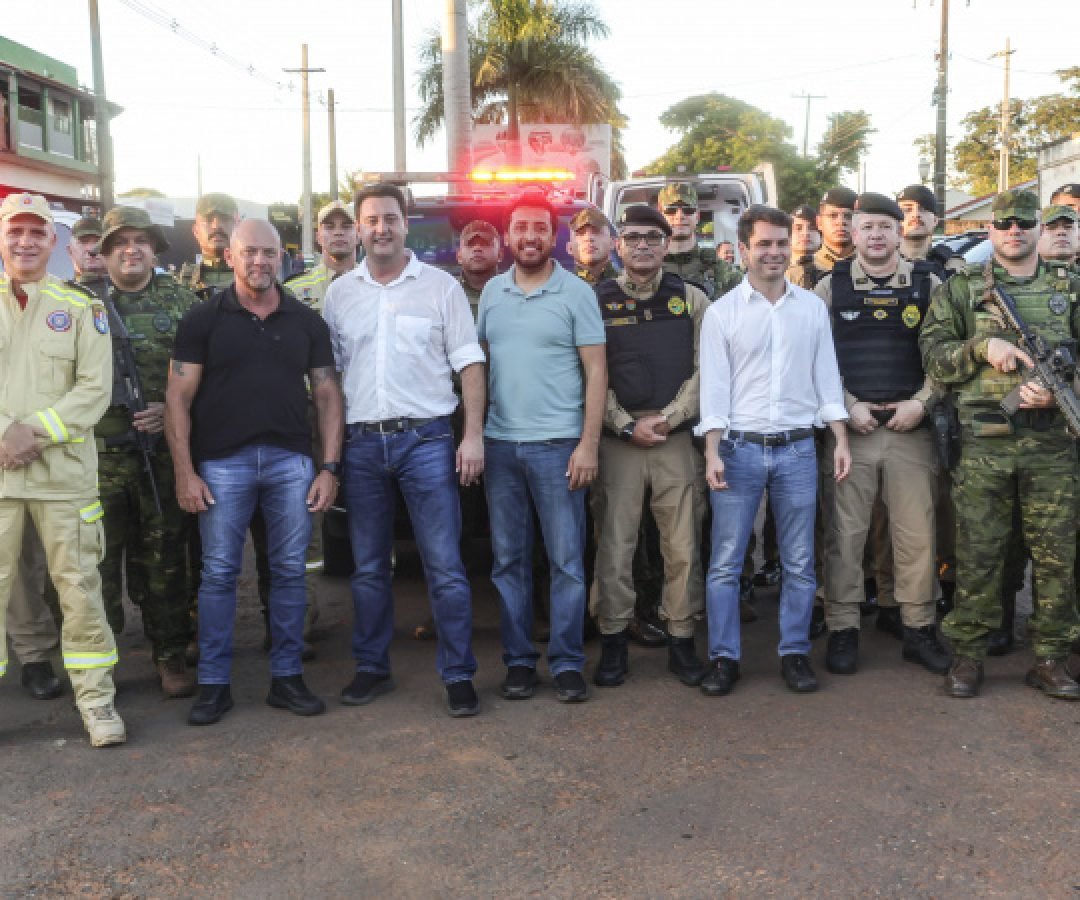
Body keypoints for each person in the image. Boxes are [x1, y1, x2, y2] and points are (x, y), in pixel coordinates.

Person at [166, 218, 343, 725]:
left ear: (282, 258)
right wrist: (185, 472)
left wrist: (329, 468)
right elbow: (177, 397)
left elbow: (328, 395)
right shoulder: (203, 319)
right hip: (221, 465)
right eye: (250, 253)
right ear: (232, 258)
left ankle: (287, 680)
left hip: (291, 464)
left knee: (288, 573)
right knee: (219, 574)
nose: (260, 261)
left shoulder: (306, 321)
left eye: (270, 252)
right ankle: (214, 686)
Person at [323, 184, 486, 718]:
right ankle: (372, 667)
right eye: (371, 220)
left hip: (427, 440)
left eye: (390, 218)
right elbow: (330, 379)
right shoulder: (340, 294)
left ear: (405, 223)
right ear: (360, 227)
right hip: (363, 444)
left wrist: (472, 434)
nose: (381, 228)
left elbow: (470, 365)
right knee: (368, 567)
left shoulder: (441, 288)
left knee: (444, 565)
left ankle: (459, 674)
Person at [920, 188, 1080, 701]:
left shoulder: (1070, 286)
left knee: (1057, 557)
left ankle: (1051, 657)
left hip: (1053, 447)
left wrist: (1060, 391)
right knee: (979, 551)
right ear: (990, 228)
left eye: (1024, 222)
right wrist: (982, 347)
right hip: (984, 446)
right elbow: (933, 356)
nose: (1014, 229)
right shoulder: (963, 288)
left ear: (1038, 228)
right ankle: (968, 654)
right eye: (1004, 222)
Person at [696, 204, 851, 697]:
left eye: (781, 243)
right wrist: (712, 452)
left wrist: (841, 436)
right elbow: (714, 391)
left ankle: (794, 652)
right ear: (744, 249)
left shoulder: (810, 309)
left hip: (798, 451)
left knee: (801, 561)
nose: (774, 252)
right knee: (726, 560)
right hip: (739, 449)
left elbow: (827, 376)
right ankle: (724, 658)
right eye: (763, 243)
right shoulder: (722, 313)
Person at [0, 193, 124, 746]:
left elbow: (95, 391)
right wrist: (5, 433)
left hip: (63, 477)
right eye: (14, 231)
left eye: (36, 232)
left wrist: (34, 431)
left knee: (79, 592)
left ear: (54, 243)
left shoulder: (81, 308)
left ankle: (97, 706)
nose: (24, 241)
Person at [478, 192, 607, 704]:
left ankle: (568, 661)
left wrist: (588, 445)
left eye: (539, 227)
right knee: (508, 561)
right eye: (520, 228)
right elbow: (479, 369)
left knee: (567, 562)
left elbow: (597, 370)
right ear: (508, 236)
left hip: (559, 448)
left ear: (553, 235)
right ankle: (518, 663)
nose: (529, 236)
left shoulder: (576, 293)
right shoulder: (491, 293)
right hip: (501, 447)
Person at [814, 193, 950, 677]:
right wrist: (848, 407)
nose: (875, 235)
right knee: (845, 536)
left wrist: (923, 402)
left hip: (910, 429)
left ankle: (917, 628)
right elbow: (816, 360)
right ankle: (843, 628)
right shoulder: (829, 287)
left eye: (884, 227)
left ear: (899, 233)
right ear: (853, 232)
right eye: (866, 226)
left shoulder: (928, 283)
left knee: (916, 535)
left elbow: (945, 353)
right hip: (853, 434)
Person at [590, 204, 709, 688]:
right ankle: (614, 642)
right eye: (634, 237)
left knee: (682, 547)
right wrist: (622, 425)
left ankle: (681, 640)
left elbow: (710, 368)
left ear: (666, 245)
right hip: (617, 442)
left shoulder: (693, 299)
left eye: (653, 238)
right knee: (615, 548)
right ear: (618, 244)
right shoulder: (593, 300)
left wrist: (672, 417)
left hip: (674, 439)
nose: (643, 245)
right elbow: (587, 373)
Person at [94, 205, 200, 697]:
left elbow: (212, 374)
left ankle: (170, 653)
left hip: (161, 452)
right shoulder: (81, 304)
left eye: (139, 240)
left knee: (165, 558)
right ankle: (99, 661)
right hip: (98, 458)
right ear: (106, 252)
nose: (130, 250)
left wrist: (167, 407)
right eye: (119, 242)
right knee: (97, 563)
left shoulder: (184, 302)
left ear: (154, 248)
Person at [568, 206, 668, 647]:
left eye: (600, 234)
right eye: (581, 234)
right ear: (571, 243)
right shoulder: (566, 288)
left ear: (613, 242)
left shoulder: (626, 286)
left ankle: (634, 613)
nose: (591, 241)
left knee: (634, 533)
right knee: (588, 531)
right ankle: (590, 614)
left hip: (626, 431)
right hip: (579, 428)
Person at [657, 182, 741, 300]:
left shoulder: (723, 272)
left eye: (688, 209)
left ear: (697, 216)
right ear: (660, 215)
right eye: (671, 209)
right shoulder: (647, 270)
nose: (680, 216)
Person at [285, 200, 360, 311]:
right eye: (330, 227)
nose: (338, 232)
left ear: (359, 235)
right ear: (318, 237)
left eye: (346, 226)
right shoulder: (293, 289)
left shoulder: (375, 284)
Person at [177, 193, 240, 297]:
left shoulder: (258, 281)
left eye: (225, 219)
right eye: (208, 220)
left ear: (238, 227)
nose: (217, 226)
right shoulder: (177, 285)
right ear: (196, 231)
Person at [897, 184, 964, 280]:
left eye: (923, 209)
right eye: (907, 209)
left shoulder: (950, 265)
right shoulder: (879, 263)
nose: (916, 214)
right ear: (896, 220)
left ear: (935, 220)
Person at [456, 219, 503, 309]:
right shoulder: (447, 292)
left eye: (485, 244)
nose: (477, 248)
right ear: (459, 256)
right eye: (470, 244)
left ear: (500, 255)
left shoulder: (514, 293)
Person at [567, 207, 617, 285]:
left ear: (612, 243)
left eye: (597, 231)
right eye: (581, 233)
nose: (589, 238)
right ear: (569, 248)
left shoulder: (627, 288)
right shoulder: (559, 289)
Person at [814, 186, 858, 273]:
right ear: (819, 222)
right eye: (833, 215)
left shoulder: (876, 267)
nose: (841, 222)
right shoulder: (798, 273)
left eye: (849, 216)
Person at [786, 203, 825, 289]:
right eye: (798, 228)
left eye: (812, 228)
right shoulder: (778, 270)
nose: (806, 233)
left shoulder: (831, 269)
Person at [68, 217, 107, 284]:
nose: (92, 249)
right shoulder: (61, 292)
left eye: (98, 241)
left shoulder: (126, 288)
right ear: (70, 251)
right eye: (83, 242)